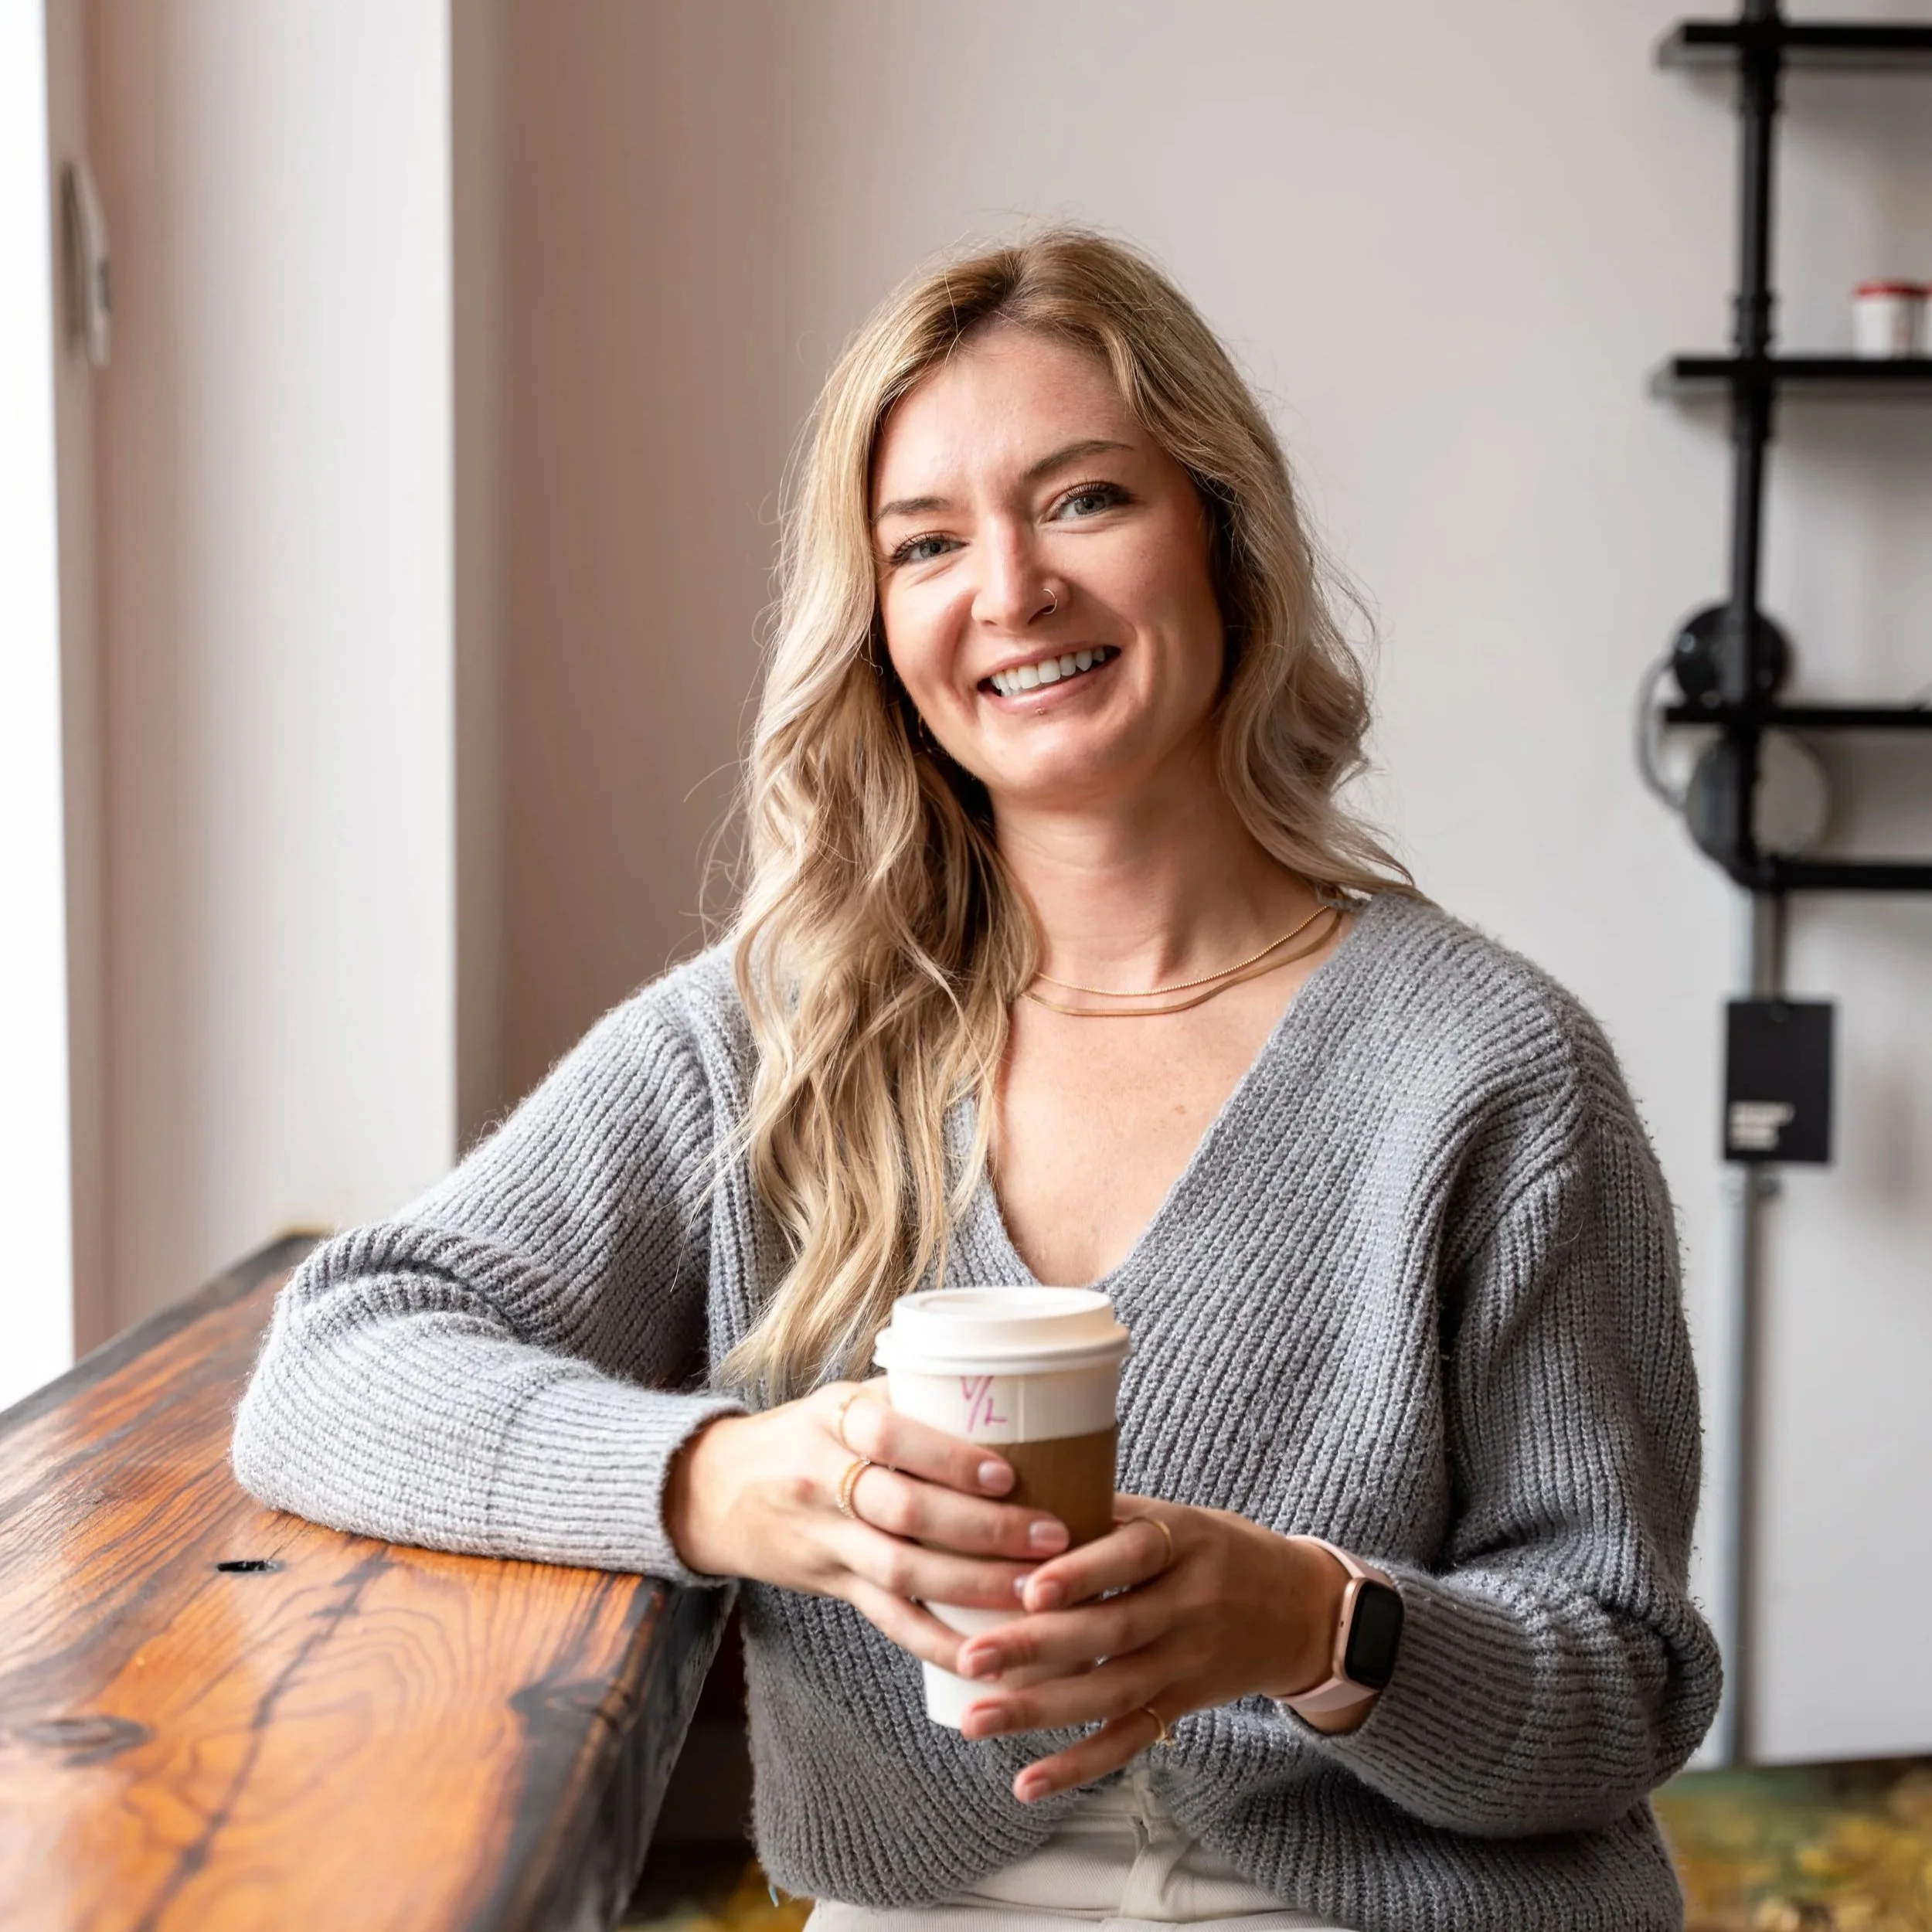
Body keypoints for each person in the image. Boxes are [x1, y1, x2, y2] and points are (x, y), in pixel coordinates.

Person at [233, 229, 1720, 1932]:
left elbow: (1620, 1686)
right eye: (924, 542)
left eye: (1082, 499)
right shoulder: (773, 1039)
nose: (1006, 590)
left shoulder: (1486, 1071)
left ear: (1220, 539)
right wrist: (739, 1485)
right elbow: (334, 1364)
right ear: (876, 624)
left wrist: (1316, 1625)